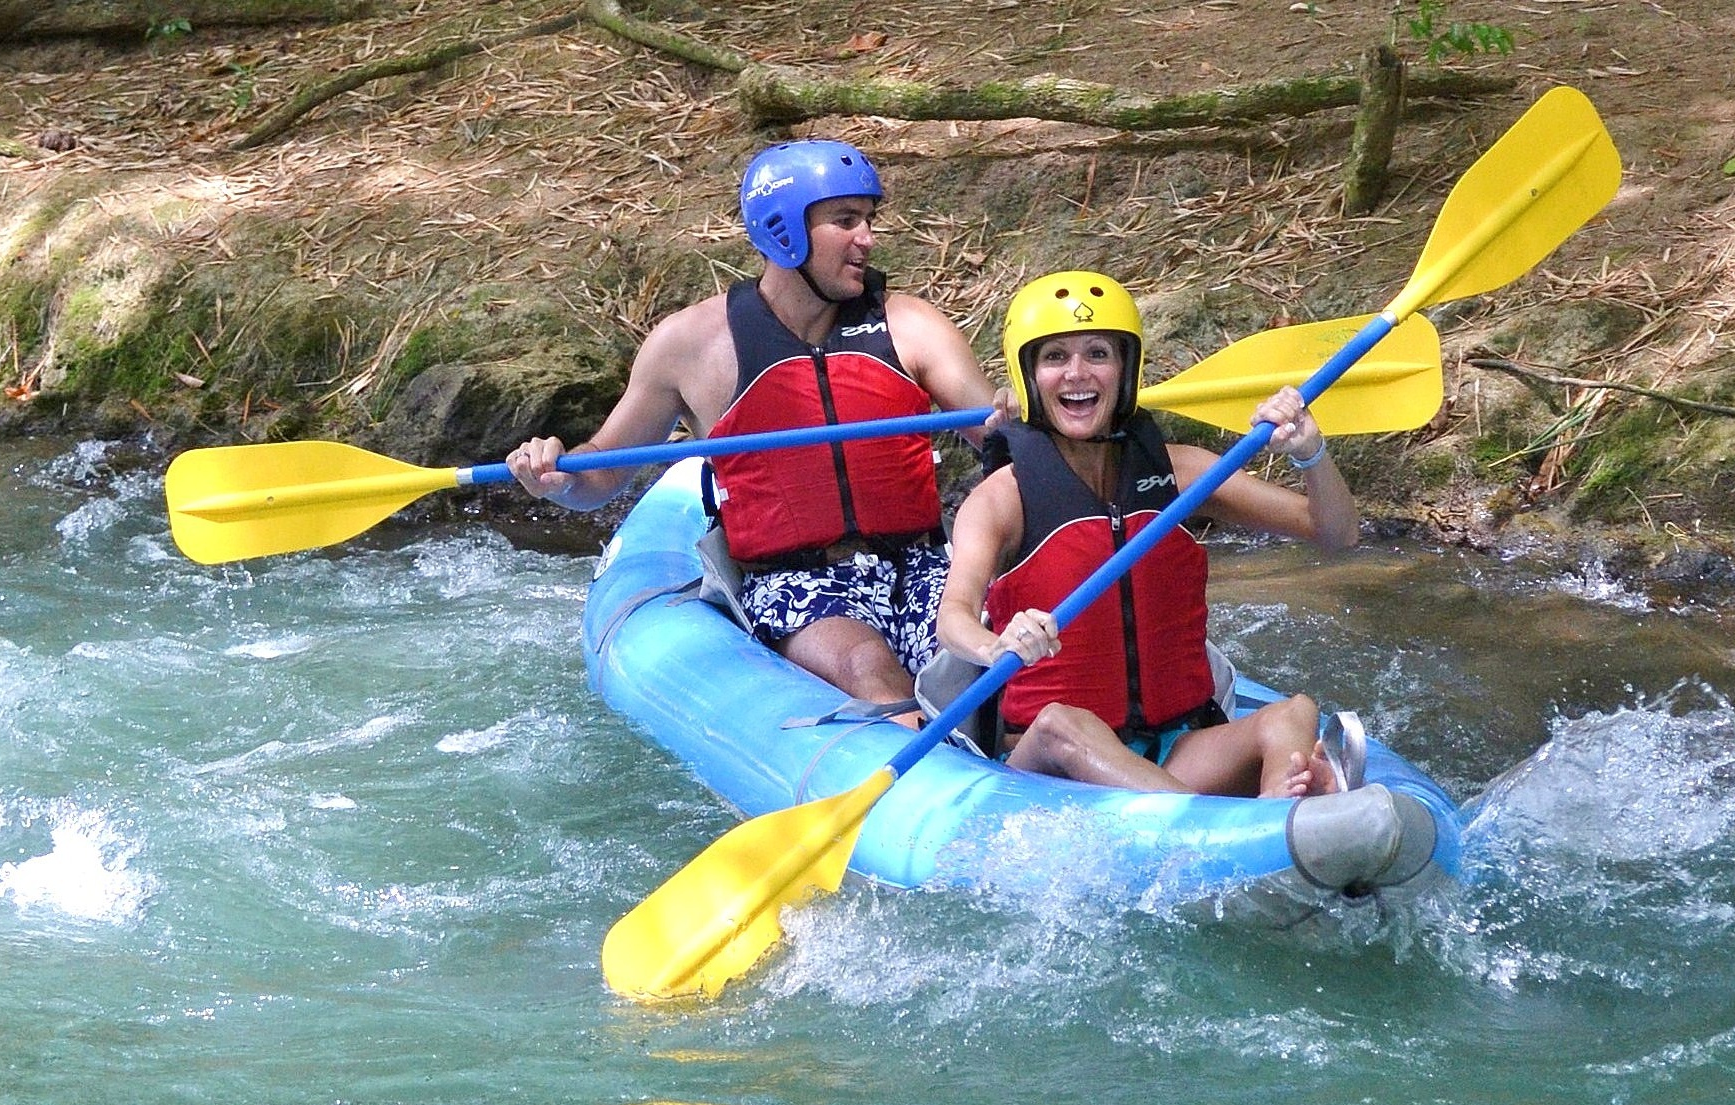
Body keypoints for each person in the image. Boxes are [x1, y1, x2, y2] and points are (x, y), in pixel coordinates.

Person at [506, 139, 997, 720]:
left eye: (869, 220)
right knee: (869, 670)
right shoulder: (691, 344)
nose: (867, 238)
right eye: (845, 221)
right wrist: (554, 476)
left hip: (922, 565)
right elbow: (601, 472)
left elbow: (1004, 445)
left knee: (987, 677)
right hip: (795, 581)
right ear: (783, 231)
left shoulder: (910, 324)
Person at [933, 271, 1360, 798]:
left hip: (1177, 747)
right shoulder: (1004, 496)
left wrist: (1309, 454)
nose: (1077, 373)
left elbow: (1335, 533)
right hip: (1052, 764)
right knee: (1062, 723)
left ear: (1125, 370)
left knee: (1294, 713)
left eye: (1097, 353)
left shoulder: (1180, 473)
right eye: (1054, 357)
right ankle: (1233, 823)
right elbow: (953, 616)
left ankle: (1280, 824)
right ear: (1029, 377)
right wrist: (999, 643)